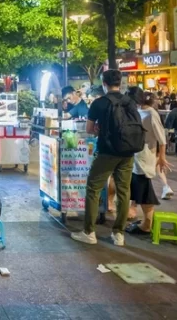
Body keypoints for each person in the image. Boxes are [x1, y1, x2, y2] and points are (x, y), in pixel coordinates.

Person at [71, 70, 141, 247]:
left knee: (93, 189)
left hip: (107, 152)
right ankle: (119, 234)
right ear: (120, 83)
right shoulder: (130, 102)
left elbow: (88, 129)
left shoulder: (99, 103)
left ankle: (89, 232)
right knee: (123, 192)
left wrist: (99, 130)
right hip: (128, 152)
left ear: (104, 83)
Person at [124, 88, 170, 235]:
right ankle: (144, 221)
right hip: (135, 155)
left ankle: (147, 225)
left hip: (145, 157)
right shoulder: (136, 111)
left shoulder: (151, 113)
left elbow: (161, 138)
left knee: (144, 191)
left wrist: (162, 157)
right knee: (139, 188)